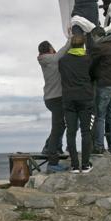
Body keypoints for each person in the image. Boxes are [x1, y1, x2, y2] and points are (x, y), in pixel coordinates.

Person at [58, 33, 94, 173]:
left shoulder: (63, 61)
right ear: (83, 44)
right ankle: (85, 164)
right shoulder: (88, 59)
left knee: (71, 132)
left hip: (69, 99)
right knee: (86, 132)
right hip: (85, 98)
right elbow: (93, 75)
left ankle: (74, 165)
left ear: (71, 44)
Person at [37, 38, 71, 172]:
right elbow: (64, 50)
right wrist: (70, 38)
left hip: (50, 98)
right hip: (56, 98)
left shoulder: (45, 60)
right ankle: (52, 163)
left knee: (60, 125)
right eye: (52, 47)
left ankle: (49, 147)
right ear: (49, 49)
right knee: (58, 128)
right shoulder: (51, 59)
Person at [89, 28, 111, 155]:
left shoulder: (99, 47)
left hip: (105, 84)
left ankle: (99, 146)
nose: (93, 41)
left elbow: (91, 65)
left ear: (96, 36)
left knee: (100, 117)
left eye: (93, 38)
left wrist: (90, 77)